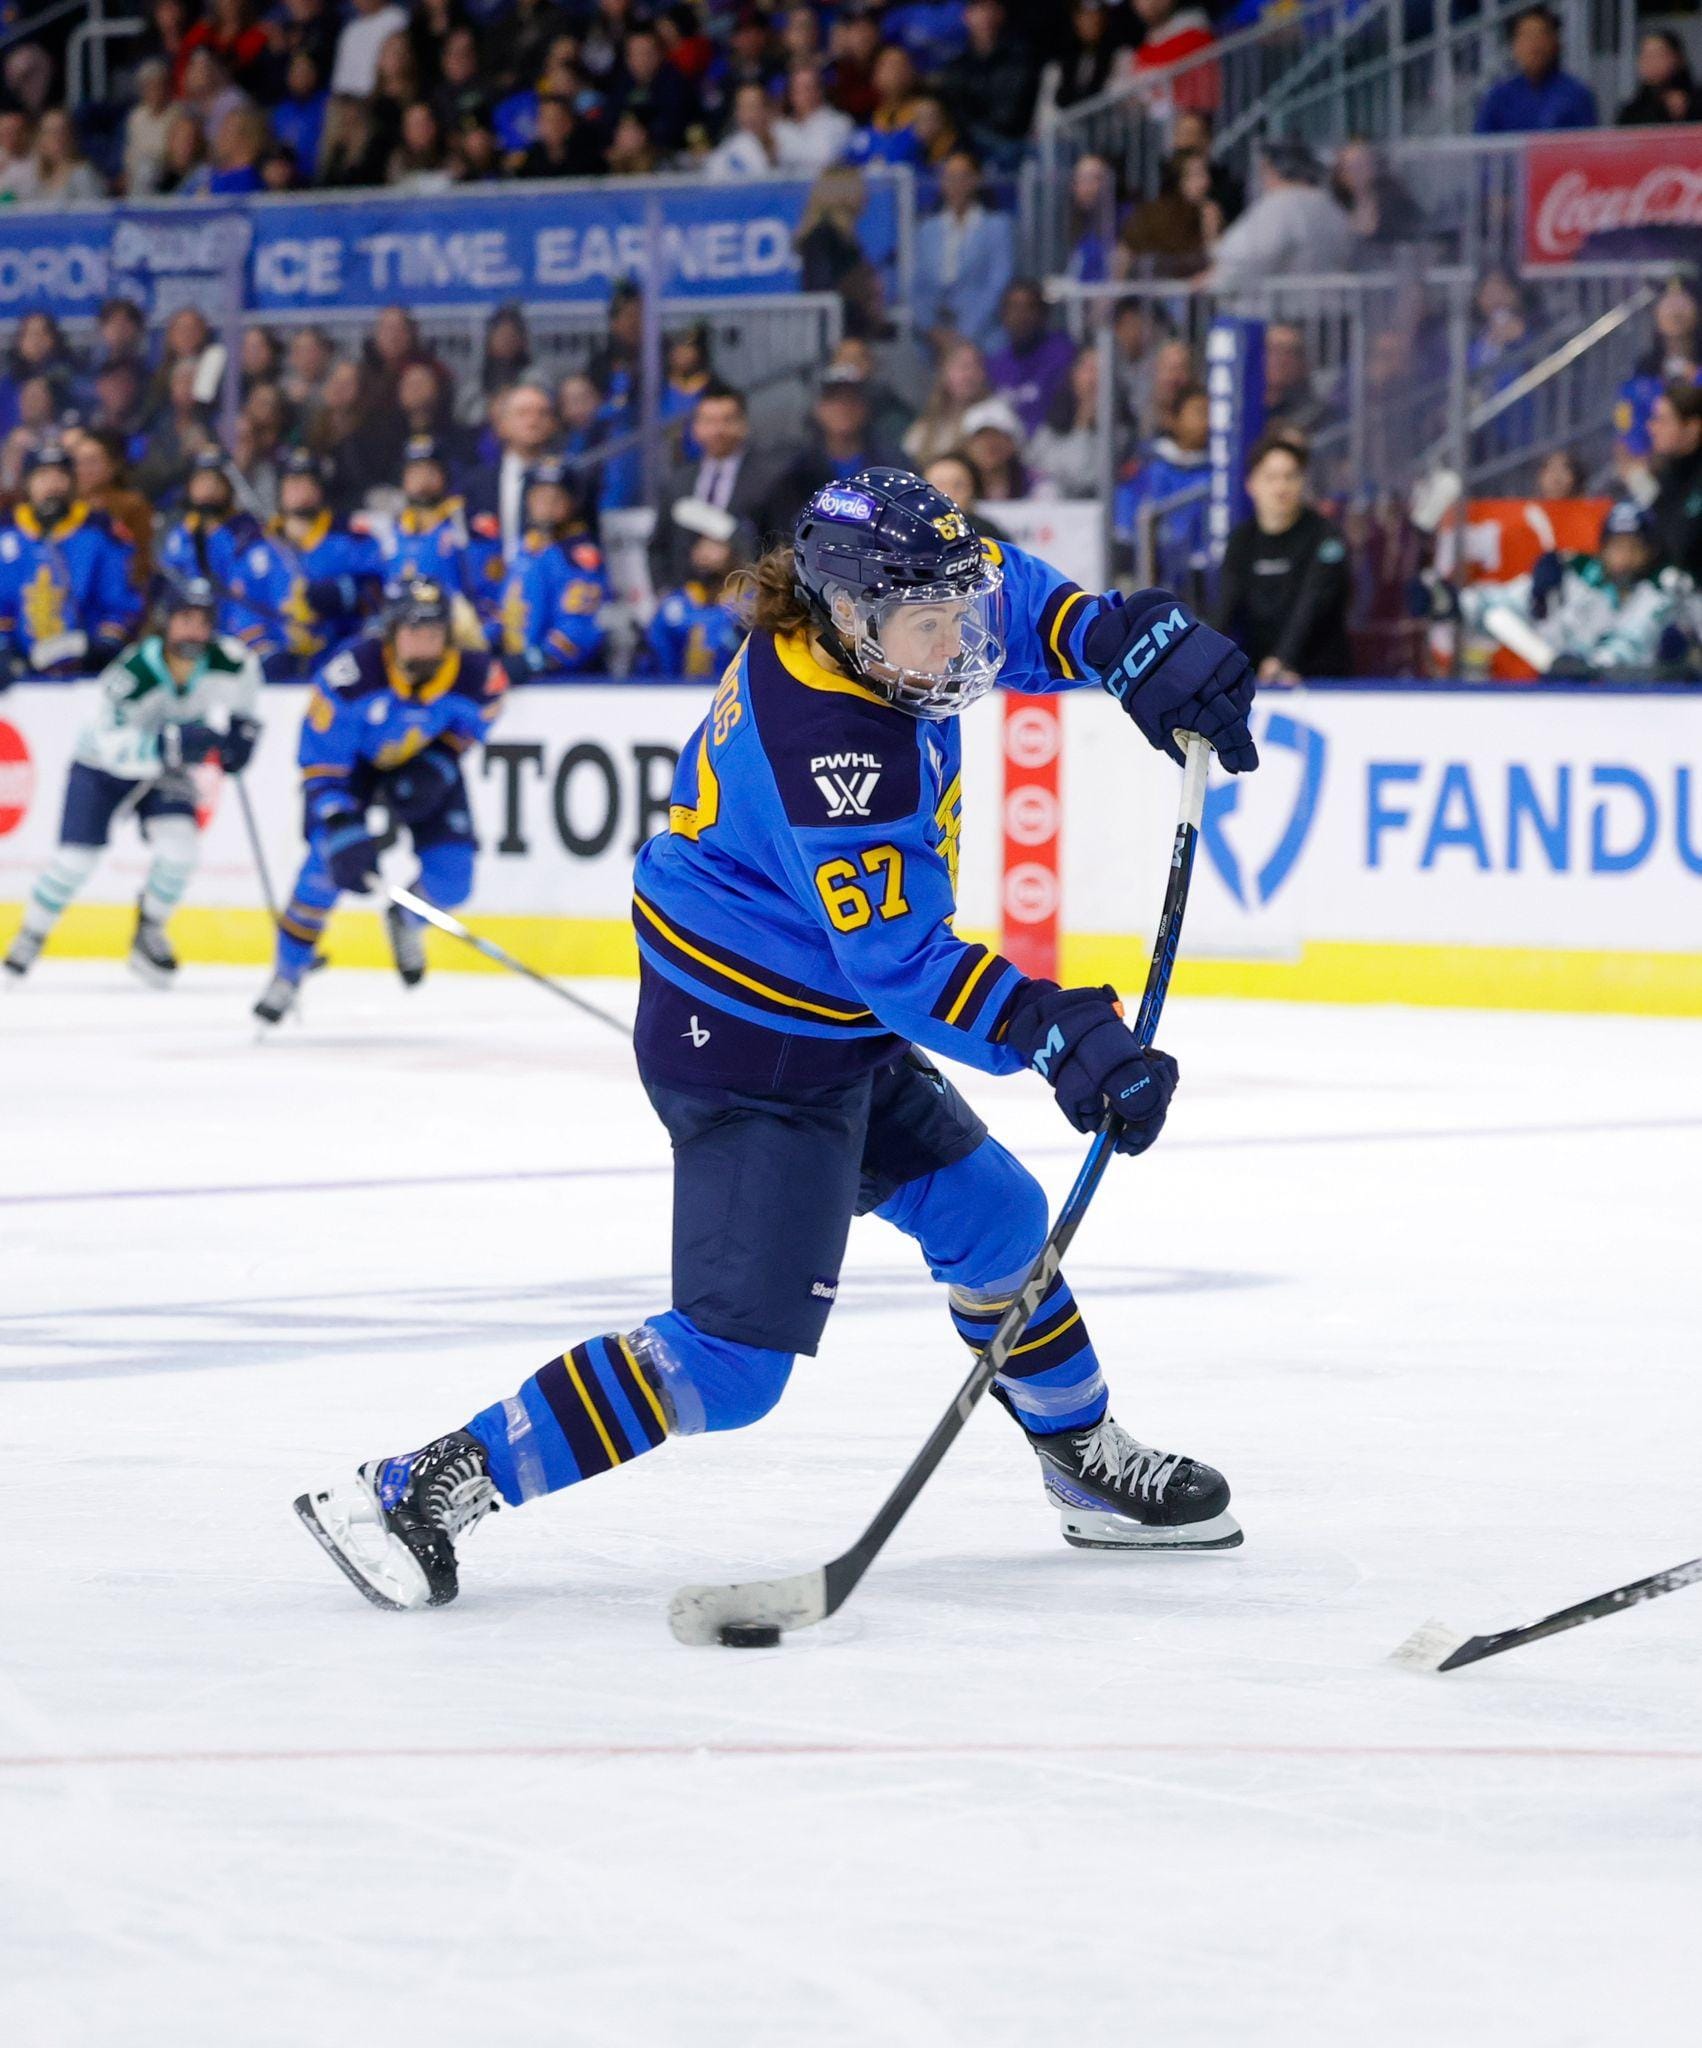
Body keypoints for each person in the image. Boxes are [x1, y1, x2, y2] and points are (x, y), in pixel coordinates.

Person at [291, 465, 1261, 1612]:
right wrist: (1058, 1033)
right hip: (749, 1048)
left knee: (996, 1217)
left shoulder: (883, 608)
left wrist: (1111, 637)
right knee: (730, 1362)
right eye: (930, 620)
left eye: (956, 605)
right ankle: (421, 1483)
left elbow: (1013, 599)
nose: (959, 640)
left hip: (824, 1018)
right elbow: (904, 968)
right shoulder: (832, 743)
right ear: (850, 613)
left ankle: (1083, 1463)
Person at [254, 577, 507, 1026]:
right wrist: (339, 822)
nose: (425, 644)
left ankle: (405, 919)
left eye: (434, 633)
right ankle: (287, 974)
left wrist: (443, 758)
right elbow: (319, 762)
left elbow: (484, 714)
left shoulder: (474, 674)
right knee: (325, 865)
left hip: (422, 757)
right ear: (390, 633)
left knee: (454, 879)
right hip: (351, 769)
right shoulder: (351, 676)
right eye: (414, 632)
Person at [3, 579, 262, 985]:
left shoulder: (232, 661)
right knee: (76, 861)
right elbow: (111, 744)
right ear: (166, 622)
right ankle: (31, 934)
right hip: (101, 765)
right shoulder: (133, 671)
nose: (194, 631)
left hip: (164, 766)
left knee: (181, 850)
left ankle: (150, 930)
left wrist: (244, 734)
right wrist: (169, 744)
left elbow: (247, 695)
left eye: (203, 622)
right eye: (185, 620)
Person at [1462, 500, 1694, 679]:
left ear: (1651, 552)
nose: (1624, 557)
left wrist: (1587, 667)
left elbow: (1629, 646)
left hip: (1635, 710)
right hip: (1559, 705)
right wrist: (1449, 600)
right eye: (1617, 546)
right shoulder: (1574, 577)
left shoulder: (1664, 590)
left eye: (1634, 547)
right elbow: (1489, 607)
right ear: (1603, 549)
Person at [224, 449, 385, 678]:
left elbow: (379, 594)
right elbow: (242, 612)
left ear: (320, 488)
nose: (299, 489)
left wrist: (345, 592)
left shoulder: (352, 540)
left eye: (307, 481)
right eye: (292, 482)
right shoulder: (255, 549)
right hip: (276, 671)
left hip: (341, 664)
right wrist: (265, 652)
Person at [0, 440, 140, 682]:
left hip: (87, 674)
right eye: (43, 476)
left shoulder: (100, 532)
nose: (53, 485)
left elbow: (120, 602)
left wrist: (105, 646)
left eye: (61, 476)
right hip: (20, 677)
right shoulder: (8, 533)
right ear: (27, 483)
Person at [1216, 436, 1353, 682]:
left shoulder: (1326, 537)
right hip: (1257, 677)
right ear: (1252, 485)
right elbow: (1225, 606)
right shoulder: (1241, 540)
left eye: (1290, 477)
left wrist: (1283, 659)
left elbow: (1312, 603)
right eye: (1271, 478)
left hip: (1321, 678)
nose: (1281, 488)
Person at [649, 384, 782, 588]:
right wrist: (667, 594)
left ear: (743, 424)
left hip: (746, 601)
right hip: (687, 604)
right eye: (709, 421)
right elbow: (659, 547)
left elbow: (780, 548)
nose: (718, 430)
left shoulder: (770, 480)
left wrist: (737, 559)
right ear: (695, 427)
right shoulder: (677, 482)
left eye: (727, 420)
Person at [498, 458, 609, 678]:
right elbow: (507, 607)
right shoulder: (526, 547)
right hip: (517, 668)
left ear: (572, 504)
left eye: (556, 498)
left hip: (560, 680)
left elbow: (580, 626)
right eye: (539, 497)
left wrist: (538, 660)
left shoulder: (578, 555)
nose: (547, 506)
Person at [1205, 140, 1358, 294]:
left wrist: (1211, 282)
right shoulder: (1331, 205)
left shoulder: (1281, 204)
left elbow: (1242, 257)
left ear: (1269, 167)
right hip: (1329, 309)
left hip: (1279, 312)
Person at [910, 151, 1016, 354]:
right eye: (949, 177)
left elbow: (999, 283)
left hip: (982, 336)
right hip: (933, 340)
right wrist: (933, 330)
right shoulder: (926, 229)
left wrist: (964, 335)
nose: (956, 184)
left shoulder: (997, 226)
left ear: (976, 180)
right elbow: (918, 286)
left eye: (963, 177)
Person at [159, 447, 265, 636]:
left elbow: (246, 588)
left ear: (228, 486)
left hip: (233, 631)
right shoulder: (179, 532)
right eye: (201, 480)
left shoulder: (245, 531)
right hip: (188, 630)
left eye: (216, 481)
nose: (208, 488)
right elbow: (169, 580)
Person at [642, 505, 752, 678]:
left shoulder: (753, 607)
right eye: (700, 543)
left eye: (715, 544)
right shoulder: (676, 605)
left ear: (735, 551)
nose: (704, 553)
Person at [1474, 6, 1598, 134]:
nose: (1534, 45)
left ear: (1555, 42)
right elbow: (1482, 146)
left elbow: (1587, 147)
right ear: (1514, 46)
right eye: (1526, 36)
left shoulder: (1576, 94)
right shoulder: (1497, 96)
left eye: (1541, 35)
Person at [986, 280, 1077, 437]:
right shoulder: (995, 364)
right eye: (1013, 308)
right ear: (1003, 315)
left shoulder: (1064, 354)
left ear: (1044, 314)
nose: (1020, 316)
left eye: (1029, 308)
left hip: (1056, 444)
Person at [1646, 380, 1702, 581]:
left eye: (1662, 420)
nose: (1652, 428)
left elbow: (1682, 546)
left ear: (1693, 427)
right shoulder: (1668, 475)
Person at [1618, 30, 1702, 125]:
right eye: (1645, 55)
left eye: (1658, 55)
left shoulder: (1696, 101)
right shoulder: (1631, 112)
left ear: (1677, 58)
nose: (1650, 62)